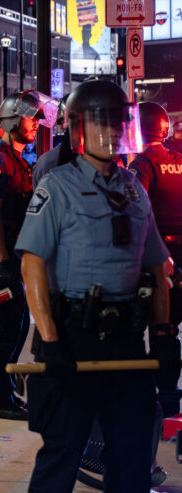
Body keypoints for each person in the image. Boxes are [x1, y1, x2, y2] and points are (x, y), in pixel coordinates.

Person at [16, 79, 174, 493]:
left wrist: (162, 333)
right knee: (61, 457)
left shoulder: (134, 188)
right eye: (100, 124)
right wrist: (49, 341)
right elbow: (32, 264)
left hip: (126, 342)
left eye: (117, 123)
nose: (111, 133)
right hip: (73, 338)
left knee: (131, 459)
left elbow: (156, 265)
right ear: (78, 128)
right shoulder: (58, 187)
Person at [0, 89, 57, 421]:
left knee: (17, 326)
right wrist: (4, 262)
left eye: (38, 116)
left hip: (10, 254)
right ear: (10, 120)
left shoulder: (18, 159)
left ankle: (4, 392)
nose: (36, 122)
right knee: (3, 329)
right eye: (29, 116)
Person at [129, 101, 182, 417]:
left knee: (162, 328)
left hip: (160, 256)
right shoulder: (178, 160)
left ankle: (164, 398)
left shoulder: (142, 166)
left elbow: (138, 214)